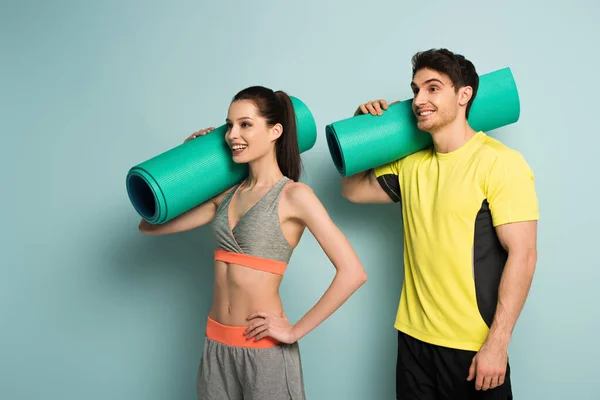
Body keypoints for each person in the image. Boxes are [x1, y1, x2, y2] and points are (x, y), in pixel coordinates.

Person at [139, 85, 367, 399]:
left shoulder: (295, 196)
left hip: (263, 351)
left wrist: (293, 330)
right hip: (216, 346)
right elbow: (149, 225)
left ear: (275, 131)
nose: (233, 134)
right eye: (229, 125)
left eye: (245, 124)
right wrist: (186, 165)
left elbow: (353, 272)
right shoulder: (224, 196)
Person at [341, 48, 539, 399]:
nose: (419, 99)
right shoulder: (410, 164)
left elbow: (522, 255)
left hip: (471, 345)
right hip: (413, 340)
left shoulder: (500, 163)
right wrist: (362, 129)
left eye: (433, 88)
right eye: (415, 89)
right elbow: (353, 189)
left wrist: (498, 343)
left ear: (464, 95)